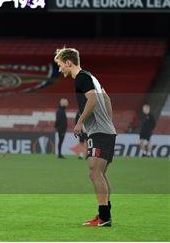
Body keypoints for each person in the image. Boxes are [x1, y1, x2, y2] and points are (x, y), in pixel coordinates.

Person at [54, 47, 116, 227]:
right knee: (99, 173)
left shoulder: (81, 77)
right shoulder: (91, 77)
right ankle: (104, 215)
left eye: (60, 65)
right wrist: (108, 123)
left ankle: (104, 217)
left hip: (99, 132)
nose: (60, 69)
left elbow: (93, 100)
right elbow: (107, 99)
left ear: (68, 62)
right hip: (104, 130)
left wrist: (80, 122)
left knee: (94, 172)